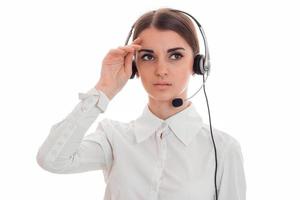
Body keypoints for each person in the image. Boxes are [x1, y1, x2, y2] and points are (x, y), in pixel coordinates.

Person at [36, 7, 246, 200]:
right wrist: (104, 88)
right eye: (147, 57)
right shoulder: (113, 137)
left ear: (199, 64)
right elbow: (52, 160)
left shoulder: (222, 149)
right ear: (135, 66)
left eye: (175, 55)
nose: (161, 70)